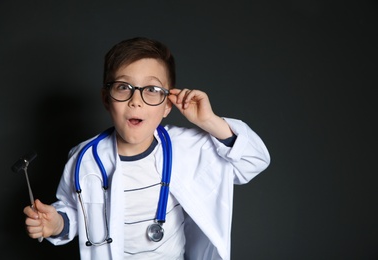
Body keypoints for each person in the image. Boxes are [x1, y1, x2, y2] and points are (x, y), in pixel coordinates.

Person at [23, 37, 270, 260]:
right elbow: (77, 213)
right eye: (123, 87)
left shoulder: (187, 148)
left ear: (167, 104)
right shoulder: (85, 159)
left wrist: (209, 121)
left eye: (151, 90)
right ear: (106, 99)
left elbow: (254, 160)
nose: (136, 100)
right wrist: (57, 224)